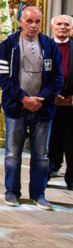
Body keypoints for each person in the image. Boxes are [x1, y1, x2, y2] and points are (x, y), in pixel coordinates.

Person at [0, 7, 63, 210]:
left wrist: (41, 98)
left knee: (41, 155)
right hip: (16, 108)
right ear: (20, 22)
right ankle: (12, 192)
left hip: (42, 108)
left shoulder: (50, 46)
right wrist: (23, 98)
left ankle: (38, 194)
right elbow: (1, 76)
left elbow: (58, 77)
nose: (33, 25)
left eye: (37, 21)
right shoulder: (8, 45)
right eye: (29, 21)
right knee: (12, 153)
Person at [48, 15, 73, 190]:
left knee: (71, 143)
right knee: (51, 141)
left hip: (71, 104)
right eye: (59, 24)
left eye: (67, 24)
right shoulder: (44, 47)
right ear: (52, 27)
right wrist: (52, 96)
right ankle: (47, 173)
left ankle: (71, 179)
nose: (62, 27)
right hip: (49, 103)